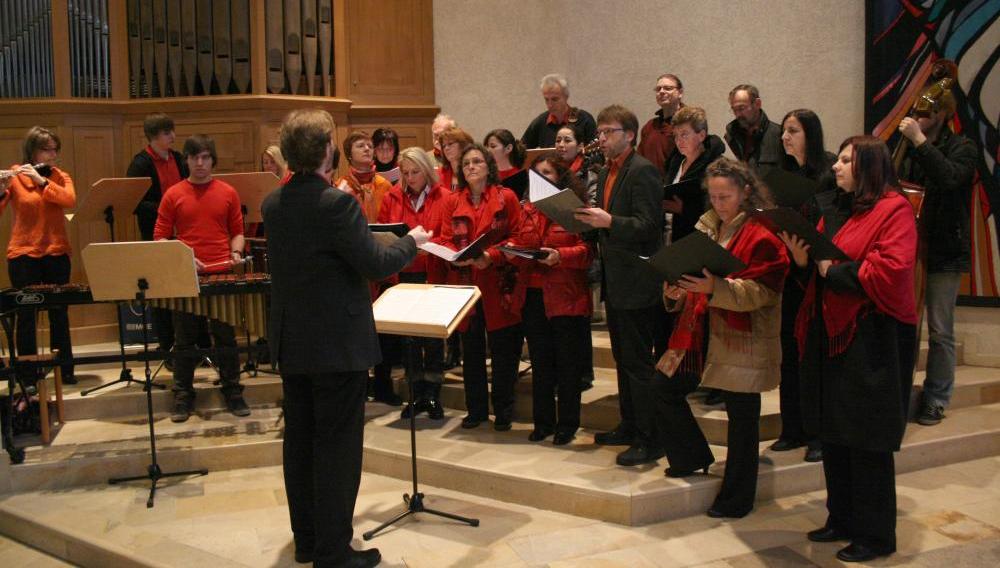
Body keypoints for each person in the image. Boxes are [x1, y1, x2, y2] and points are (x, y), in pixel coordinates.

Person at [263, 108, 430, 568]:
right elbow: (375, 263)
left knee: (300, 441)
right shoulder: (336, 203)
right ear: (326, 151)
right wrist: (411, 240)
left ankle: (307, 540)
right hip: (336, 343)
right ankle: (333, 551)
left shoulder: (273, 204)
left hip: (293, 340)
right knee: (337, 447)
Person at [787, 136, 917, 563]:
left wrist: (830, 268)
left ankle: (876, 535)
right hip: (832, 331)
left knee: (866, 439)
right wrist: (805, 260)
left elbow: (891, 271)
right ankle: (840, 518)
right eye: (839, 159)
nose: (837, 167)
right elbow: (821, 265)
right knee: (836, 432)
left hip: (872, 337)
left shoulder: (894, 208)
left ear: (869, 167)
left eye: (846, 160)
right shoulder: (836, 209)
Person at [657, 158, 788, 521]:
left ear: (745, 192)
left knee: (742, 421)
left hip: (742, 336)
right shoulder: (707, 227)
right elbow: (693, 272)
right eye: (713, 196)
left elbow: (763, 292)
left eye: (725, 196)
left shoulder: (763, 232)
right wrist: (676, 289)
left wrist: (715, 288)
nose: (718, 203)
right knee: (662, 386)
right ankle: (691, 456)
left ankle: (737, 497)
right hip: (701, 329)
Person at [574, 105, 664, 466]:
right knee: (624, 360)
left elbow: (648, 226)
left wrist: (609, 221)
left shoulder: (642, 171)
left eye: (610, 132)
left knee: (639, 364)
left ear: (630, 134)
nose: (603, 138)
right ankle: (630, 424)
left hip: (638, 281)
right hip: (617, 279)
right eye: (600, 132)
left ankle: (650, 437)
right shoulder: (608, 171)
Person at [895, 79, 977, 427]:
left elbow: (949, 177)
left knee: (941, 330)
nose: (918, 118)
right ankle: (899, 394)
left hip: (944, 247)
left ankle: (936, 398)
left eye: (925, 113)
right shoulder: (907, 146)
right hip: (909, 247)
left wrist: (919, 140)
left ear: (943, 113)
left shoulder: (964, 146)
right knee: (905, 324)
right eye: (915, 112)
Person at [154, 134, 250, 422]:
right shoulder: (173, 194)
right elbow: (159, 238)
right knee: (184, 341)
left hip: (220, 274)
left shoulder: (228, 192)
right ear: (187, 160)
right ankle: (183, 395)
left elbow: (238, 231)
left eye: (205, 157)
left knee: (226, 338)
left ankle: (233, 391)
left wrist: (235, 251)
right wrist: (183, 258)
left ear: (212, 160)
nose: (200, 163)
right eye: (194, 157)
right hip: (186, 276)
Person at [507, 153, 593, 445]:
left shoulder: (574, 209)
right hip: (533, 294)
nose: (541, 178)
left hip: (566, 294)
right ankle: (543, 421)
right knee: (541, 363)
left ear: (560, 178)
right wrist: (513, 251)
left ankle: (567, 423)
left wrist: (560, 256)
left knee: (568, 365)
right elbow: (521, 241)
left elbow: (587, 252)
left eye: (548, 173)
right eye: (537, 173)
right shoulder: (526, 209)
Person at [437, 143, 523, 430]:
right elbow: (445, 238)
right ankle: (475, 410)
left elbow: (518, 237)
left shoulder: (506, 196)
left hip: (499, 282)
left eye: (477, 162)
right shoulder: (453, 200)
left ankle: (503, 411)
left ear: (489, 166)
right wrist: (455, 258)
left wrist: (491, 256)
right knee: (471, 351)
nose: (471, 167)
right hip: (465, 284)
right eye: (466, 164)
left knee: (503, 351)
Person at [770, 109, 837, 463]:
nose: (785, 137)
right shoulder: (786, 176)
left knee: (812, 357)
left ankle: (818, 434)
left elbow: (832, 226)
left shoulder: (828, 172)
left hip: (820, 276)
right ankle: (791, 428)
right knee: (789, 354)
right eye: (783, 131)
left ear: (810, 133)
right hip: (792, 274)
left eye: (793, 131)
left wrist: (804, 256)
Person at [377, 147, 449, 420]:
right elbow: (384, 231)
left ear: (427, 170)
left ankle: (433, 395)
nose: (410, 178)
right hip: (404, 273)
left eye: (415, 172)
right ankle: (415, 394)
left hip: (432, 271)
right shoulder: (393, 196)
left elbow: (449, 233)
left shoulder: (444, 196)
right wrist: (403, 246)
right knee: (410, 339)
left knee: (431, 339)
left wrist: (430, 245)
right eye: (405, 173)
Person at [1, 126, 77, 384]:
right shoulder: (15, 176)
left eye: (55, 149)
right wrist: (1, 189)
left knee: (59, 312)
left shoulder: (59, 176)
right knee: (26, 316)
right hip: (24, 254)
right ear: (32, 150)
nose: (52, 155)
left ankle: (64, 369)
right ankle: (27, 376)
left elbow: (69, 199)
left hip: (56, 252)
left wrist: (42, 181)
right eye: (47, 149)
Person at [335, 131, 401, 406]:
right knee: (357, 330)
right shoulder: (340, 187)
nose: (367, 149)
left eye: (369, 146)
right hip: (355, 267)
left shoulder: (386, 184)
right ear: (349, 154)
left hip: (381, 261)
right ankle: (359, 386)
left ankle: (384, 384)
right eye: (360, 146)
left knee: (384, 329)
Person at [126, 114, 189, 357]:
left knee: (185, 291)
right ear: (153, 137)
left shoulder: (179, 159)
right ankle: (167, 345)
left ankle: (191, 343)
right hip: (156, 234)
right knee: (161, 293)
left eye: (172, 131)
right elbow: (135, 202)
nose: (172, 136)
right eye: (166, 133)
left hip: (183, 234)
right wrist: (167, 207)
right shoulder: (140, 164)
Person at [662, 106, 726, 243]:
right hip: (669, 234)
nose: (679, 141)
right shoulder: (675, 162)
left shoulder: (716, 166)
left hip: (697, 239)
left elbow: (721, 211)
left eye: (684, 134)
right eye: (676, 136)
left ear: (701, 135)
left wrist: (683, 209)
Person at [521, 74, 597, 149]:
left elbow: (596, 150)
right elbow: (521, 149)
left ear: (566, 97)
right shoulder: (541, 121)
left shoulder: (584, 119)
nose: (550, 105)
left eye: (555, 99)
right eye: (546, 100)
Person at [724, 84, 782, 175]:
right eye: (734, 110)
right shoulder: (731, 135)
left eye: (741, 108)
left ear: (757, 104)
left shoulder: (780, 135)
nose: (738, 114)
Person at [638, 73, 685, 178]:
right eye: (658, 89)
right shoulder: (649, 126)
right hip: (650, 188)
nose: (662, 92)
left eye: (668, 88)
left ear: (680, 93)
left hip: (677, 189)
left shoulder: (689, 123)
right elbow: (640, 161)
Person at [484, 128, 528, 199]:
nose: (488, 150)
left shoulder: (522, 176)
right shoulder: (486, 175)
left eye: (493, 146)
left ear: (508, 148)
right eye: (486, 147)